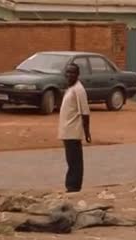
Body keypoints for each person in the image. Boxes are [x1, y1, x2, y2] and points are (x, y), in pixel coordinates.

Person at [58, 63, 91, 193]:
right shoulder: (71, 88)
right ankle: (71, 185)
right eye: (68, 72)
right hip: (67, 130)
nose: (69, 75)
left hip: (73, 131)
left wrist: (87, 132)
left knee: (75, 160)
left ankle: (74, 186)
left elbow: (85, 112)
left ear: (77, 74)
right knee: (70, 159)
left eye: (72, 73)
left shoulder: (79, 90)